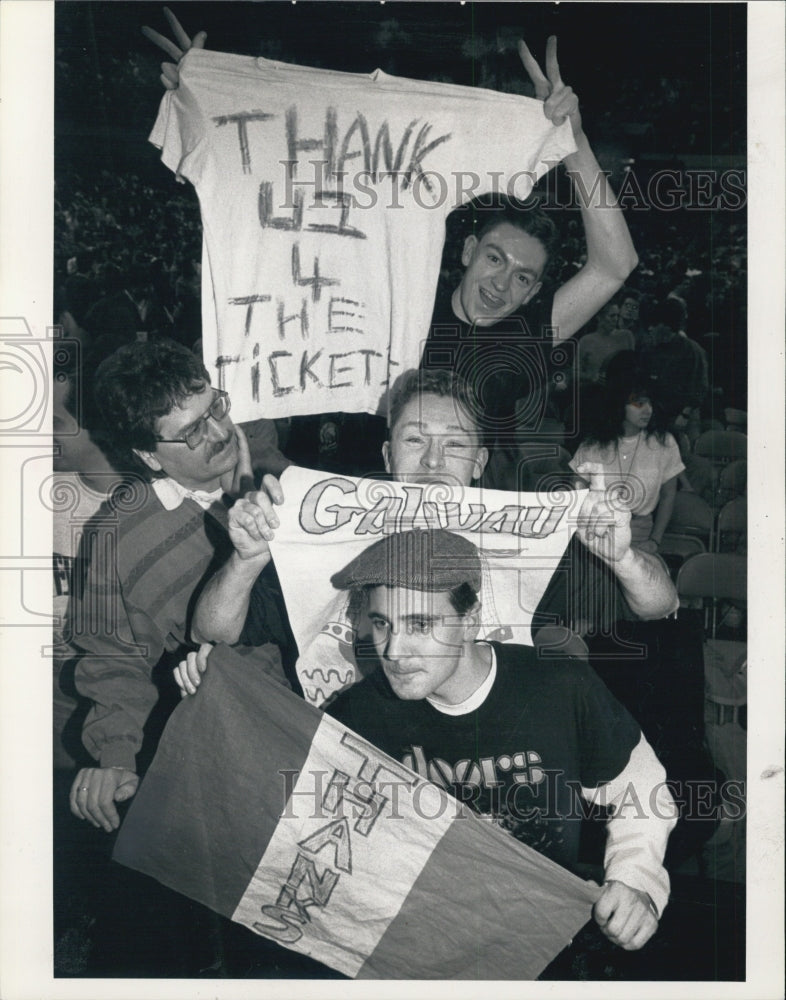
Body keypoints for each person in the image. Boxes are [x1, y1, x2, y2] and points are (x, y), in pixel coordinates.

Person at [174, 368, 677, 695]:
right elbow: (210, 631)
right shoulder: (324, 527)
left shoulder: (524, 536)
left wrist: (623, 557)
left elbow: (658, 606)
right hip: (354, 750)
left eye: (455, 445)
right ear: (390, 457)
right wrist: (246, 560)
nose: (433, 461)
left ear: (480, 463)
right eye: (415, 440)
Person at [324, 528, 678, 951]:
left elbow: (642, 786)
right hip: (419, 940)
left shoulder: (558, 687)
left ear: (470, 621)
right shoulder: (356, 716)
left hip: (537, 938)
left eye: (420, 625)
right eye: (383, 623)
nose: (394, 651)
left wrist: (635, 880)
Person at [67, 338, 293, 832]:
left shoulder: (287, 475)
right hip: (248, 749)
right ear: (149, 456)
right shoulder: (117, 538)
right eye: (192, 432)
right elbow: (114, 661)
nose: (218, 433)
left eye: (215, 407)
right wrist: (117, 760)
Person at [570, 373, 685, 554]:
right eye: (639, 404)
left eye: (650, 403)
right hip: (597, 531)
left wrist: (655, 540)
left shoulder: (664, 442)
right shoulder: (593, 443)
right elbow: (576, 490)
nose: (648, 410)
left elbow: (668, 495)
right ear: (618, 405)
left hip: (640, 534)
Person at [576, 298, 635, 384]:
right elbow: (575, 372)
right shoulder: (586, 341)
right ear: (599, 317)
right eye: (612, 316)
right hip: (595, 391)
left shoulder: (626, 336)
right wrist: (591, 377)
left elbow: (633, 366)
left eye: (617, 316)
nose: (615, 319)